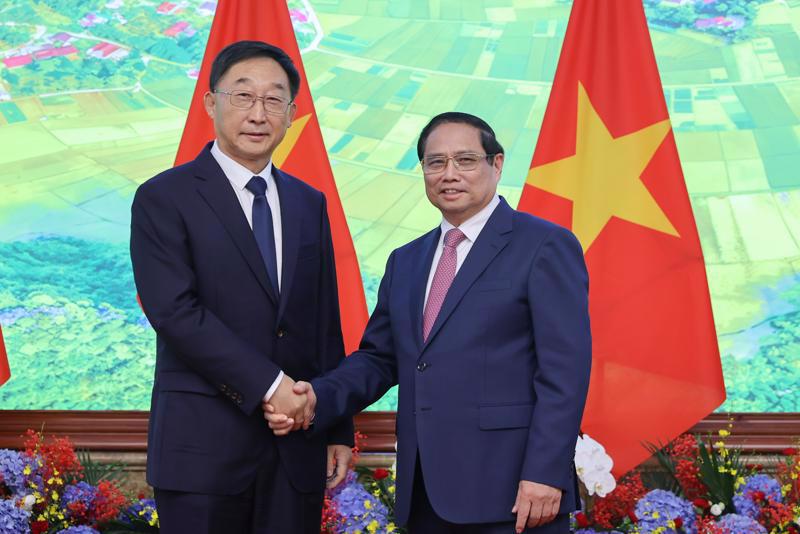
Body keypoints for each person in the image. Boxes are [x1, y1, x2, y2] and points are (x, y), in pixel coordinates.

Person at [267, 112, 592, 533]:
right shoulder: (407, 260)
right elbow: (379, 359)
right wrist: (316, 398)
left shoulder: (545, 245)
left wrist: (546, 473)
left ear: (496, 165)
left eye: (465, 160)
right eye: (435, 162)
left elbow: (564, 372)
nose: (449, 174)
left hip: (515, 493)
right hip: (426, 494)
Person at [129, 40, 353, 534]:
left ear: (291, 113)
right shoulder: (163, 197)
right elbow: (175, 312)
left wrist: (335, 423)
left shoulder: (306, 202)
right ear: (211, 103)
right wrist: (273, 388)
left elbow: (323, 321)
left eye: (274, 99)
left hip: (295, 446)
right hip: (202, 452)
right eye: (243, 96)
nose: (258, 113)